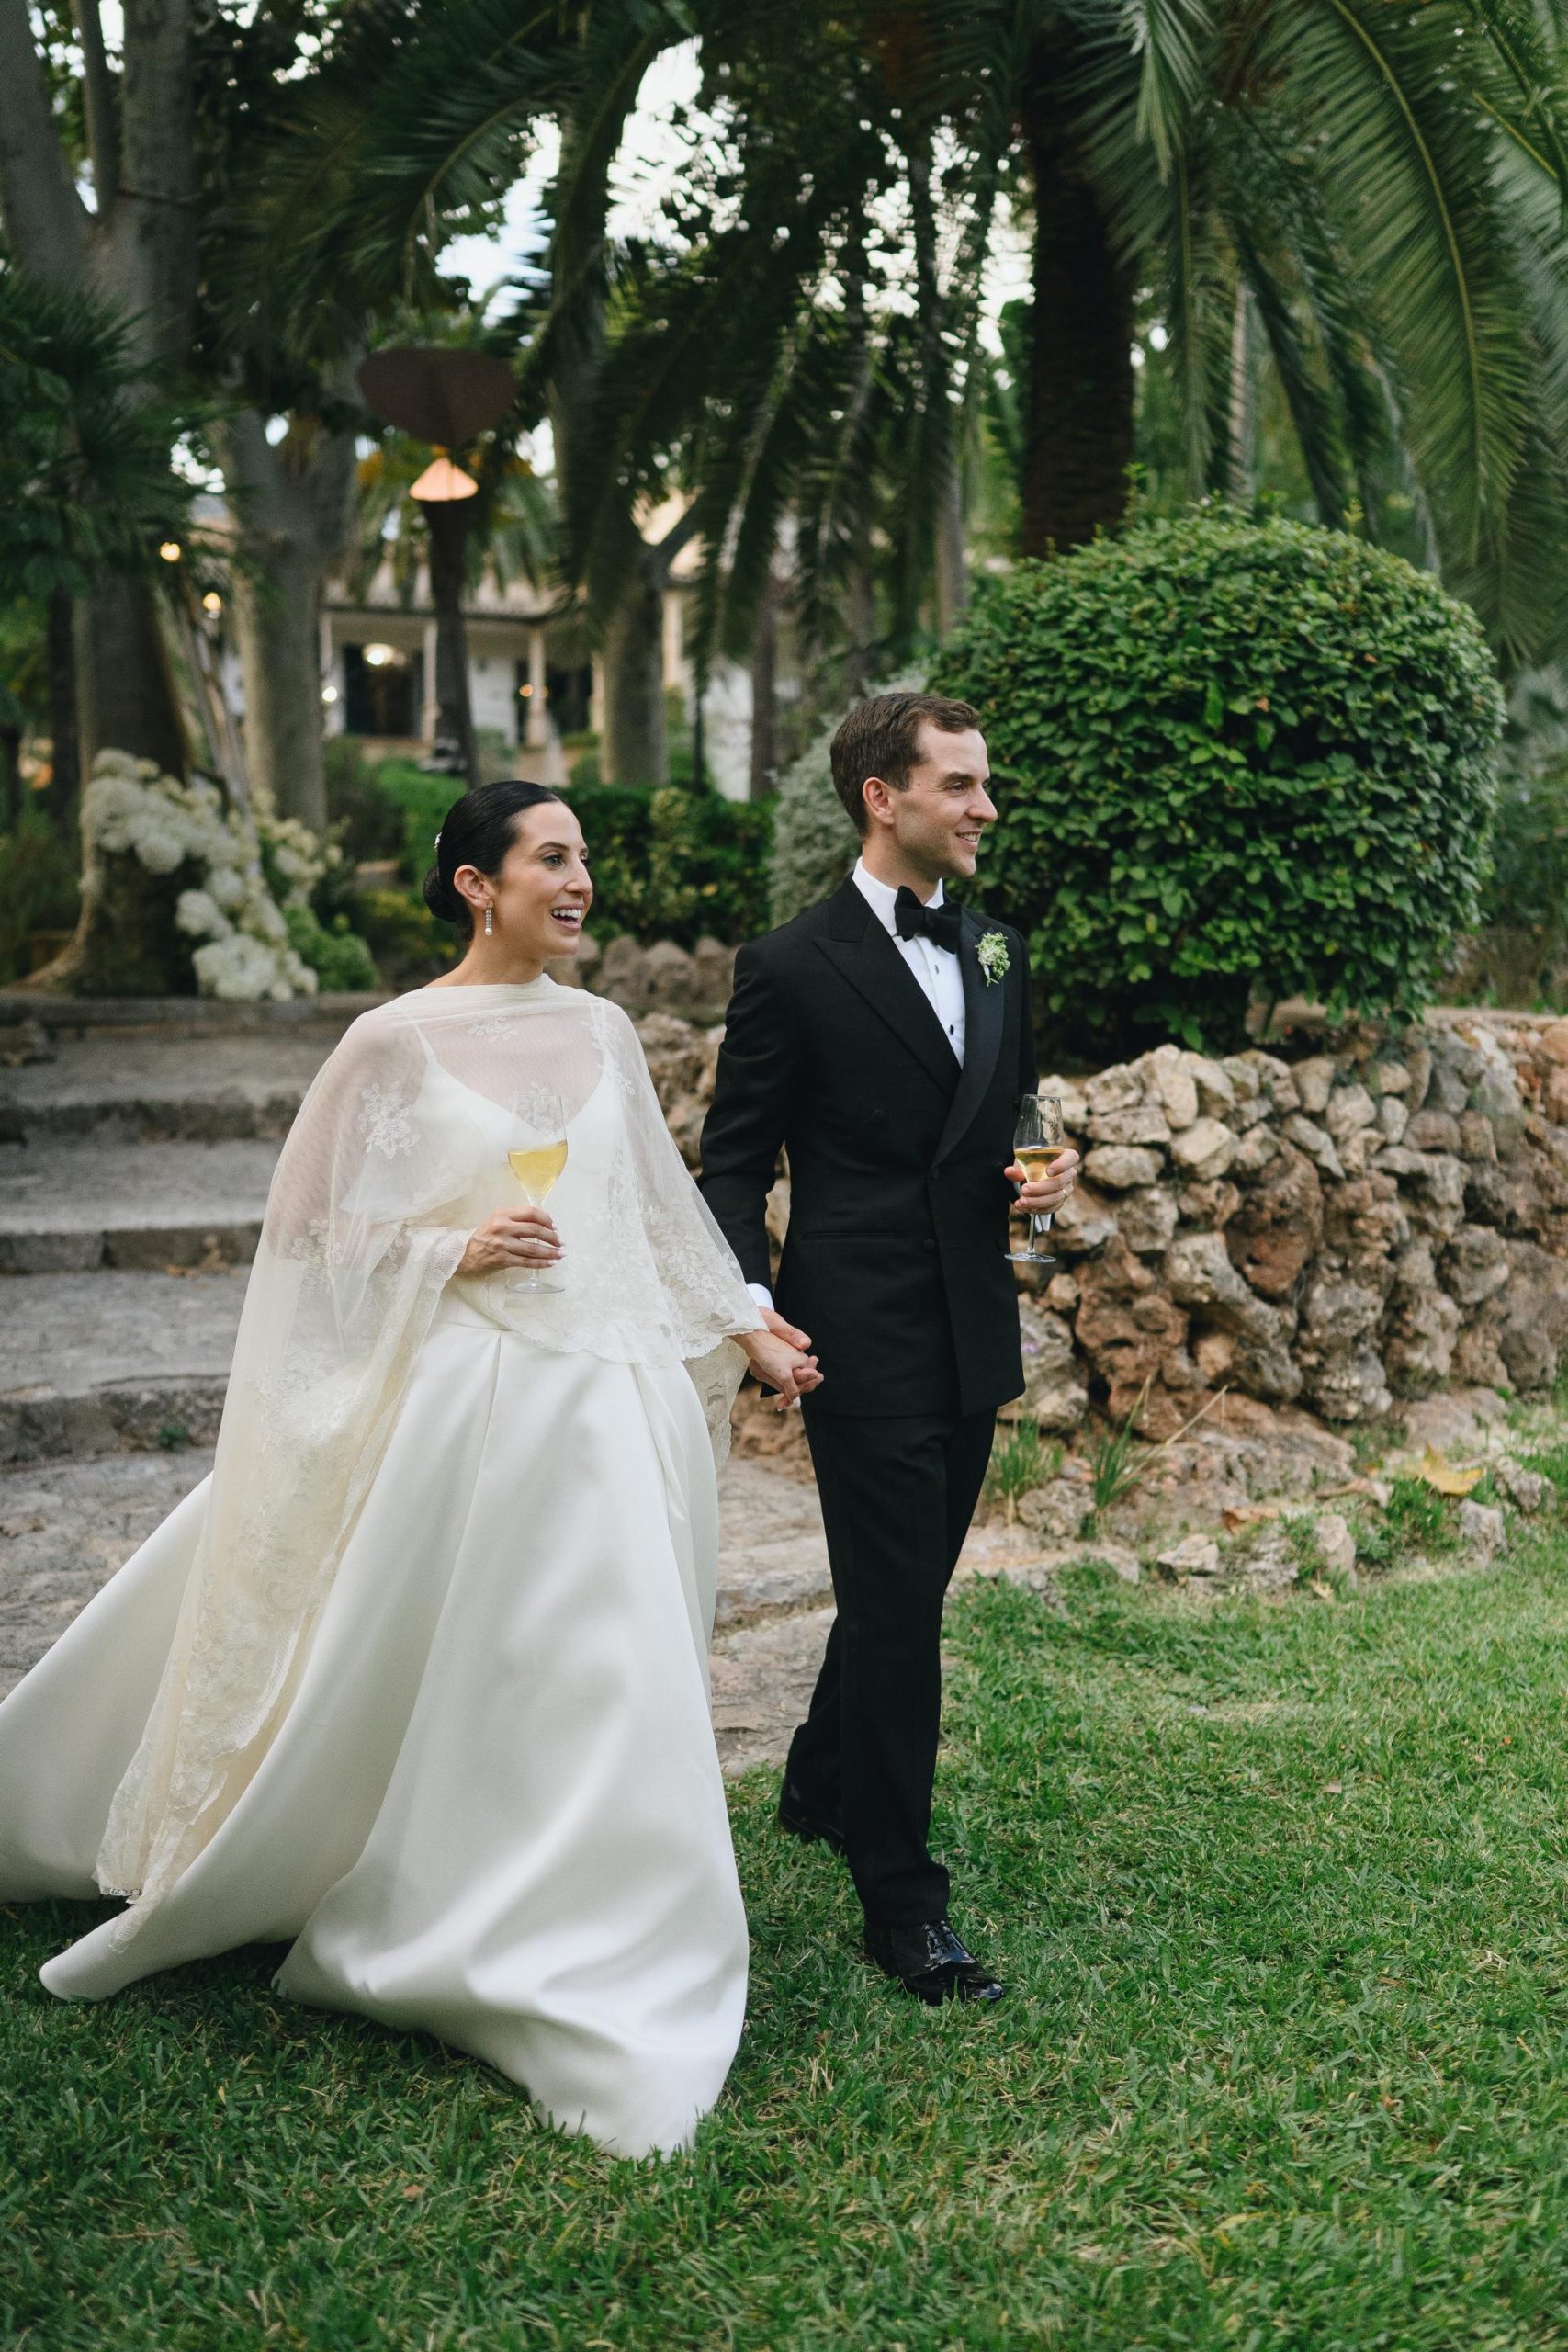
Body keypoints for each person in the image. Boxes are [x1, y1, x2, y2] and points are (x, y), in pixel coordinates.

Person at [0, 781, 820, 2160]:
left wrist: (749, 1317)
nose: (580, 883)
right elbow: (307, 1232)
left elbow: (654, 1213)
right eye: (551, 859)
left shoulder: (604, 1029)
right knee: (413, 1654)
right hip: (455, 1395)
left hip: (598, 1403)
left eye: (583, 861)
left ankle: (591, 1919)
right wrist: (450, 1250)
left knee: (594, 1670)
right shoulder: (390, 1041)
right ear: (473, 885)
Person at [699, 694, 1078, 2007]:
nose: (984, 807)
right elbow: (734, 1160)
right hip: (852, 1334)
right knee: (907, 1611)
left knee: (901, 1583)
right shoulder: (791, 965)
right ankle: (903, 1900)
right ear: (884, 796)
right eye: (961, 785)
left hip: (977, 1315)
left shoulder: (999, 953)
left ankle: (815, 1777)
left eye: (984, 784)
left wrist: (1040, 1174)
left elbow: (1009, 1103)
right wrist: (751, 1308)